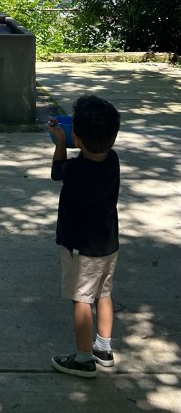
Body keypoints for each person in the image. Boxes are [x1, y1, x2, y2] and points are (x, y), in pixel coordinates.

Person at [48, 94, 121, 378]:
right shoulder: (112, 160)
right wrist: (74, 139)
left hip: (81, 248)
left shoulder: (76, 169)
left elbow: (57, 172)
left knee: (81, 299)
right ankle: (103, 347)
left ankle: (82, 358)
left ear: (76, 138)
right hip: (108, 245)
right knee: (104, 293)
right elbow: (88, 154)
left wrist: (58, 143)